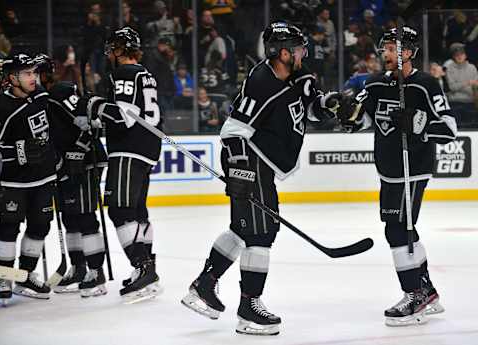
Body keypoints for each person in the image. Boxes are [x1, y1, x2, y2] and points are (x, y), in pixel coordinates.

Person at [181, 21, 340, 335]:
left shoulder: (297, 75)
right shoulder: (262, 82)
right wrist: (240, 172)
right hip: (249, 159)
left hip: (262, 161)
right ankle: (249, 308)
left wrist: (331, 104)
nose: (303, 53)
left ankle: (204, 285)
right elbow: (232, 131)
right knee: (261, 233)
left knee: (242, 229)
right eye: (297, 49)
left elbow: (311, 106)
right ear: (282, 53)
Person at [337, 26, 456, 326]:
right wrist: (350, 119)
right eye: (385, 48)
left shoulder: (426, 85)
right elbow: (364, 118)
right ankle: (426, 290)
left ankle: (414, 295)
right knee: (405, 228)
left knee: (397, 230)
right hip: (388, 168)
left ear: (409, 52)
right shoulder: (376, 83)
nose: (386, 54)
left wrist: (419, 125)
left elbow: (449, 129)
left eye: (392, 49)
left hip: (412, 168)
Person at [84, 27, 163, 301]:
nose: (110, 54)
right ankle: (147, 269)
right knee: (138, 211)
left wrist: (95, 106)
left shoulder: (124, 74)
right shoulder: (146, 73)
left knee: (119, 210)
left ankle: (143, 269)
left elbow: (124, 116)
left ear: (120, 50)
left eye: (113, 49)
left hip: (129, 149)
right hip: (147, 148)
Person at [34, 54, 108, 297]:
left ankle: (97, 273)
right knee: (70, 218)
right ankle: (78, 268)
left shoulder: (61, 92)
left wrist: (78, 152)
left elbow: (91, 122)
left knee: (86, 216)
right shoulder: (37, 100)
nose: (32, 78)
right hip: (65, 165)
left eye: (35, 73)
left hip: (86, 162)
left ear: (44, 74)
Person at [0, 54, 57, 301]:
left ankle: (25, 275)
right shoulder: (1, 106)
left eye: (35, 72)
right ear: (13, 78)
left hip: (43, 178)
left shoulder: (42, 97)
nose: (34, 78)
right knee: (8, 228)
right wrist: (20, 151)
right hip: (13, 182)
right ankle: (3, 277)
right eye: (27, 73)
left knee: (40, 226)